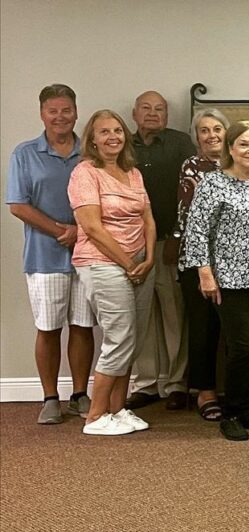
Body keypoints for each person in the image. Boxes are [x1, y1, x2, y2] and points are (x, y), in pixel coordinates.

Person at [182, 121, 249, 442]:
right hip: (229, 279)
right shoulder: (213, 183)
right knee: (241, 346)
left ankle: (248, 408)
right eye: (244, 144)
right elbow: (197, 231)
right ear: (231, 149)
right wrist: (205, 272)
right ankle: (233, 412)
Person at [6, 84, 93, 425]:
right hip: (44, 257)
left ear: (76, 112)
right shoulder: (24, 154)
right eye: (53, 110)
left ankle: (80, 394)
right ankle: (50, 398)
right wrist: (62, 231)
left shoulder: (92, 152)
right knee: (48, 328)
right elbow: (17, 205)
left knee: (83, 325)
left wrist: (81, 233)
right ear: (42, 114)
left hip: (88, 254)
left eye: (66, 110)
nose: (60, 116)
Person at [68, 109, 156, 436]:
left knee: (132, 339)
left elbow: (148, 217)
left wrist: (147, 257)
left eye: (117, 130)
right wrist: (128, 262)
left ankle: (118, 409)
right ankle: (95, 416)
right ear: (92, 138)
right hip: (102, 263)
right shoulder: (84, 173)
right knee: (119, 338)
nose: (113, 137)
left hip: (139, 263)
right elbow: (91, 226)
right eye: (104, 132)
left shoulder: (132, 173)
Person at [126, 91, 195, 411]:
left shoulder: (181, 143)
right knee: (142, 315)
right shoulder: (122, 144)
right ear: (134, 113)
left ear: (167, 116)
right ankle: (146, 382)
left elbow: (191, 194)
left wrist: (178, 239)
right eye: (146, 108)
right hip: (131, 245)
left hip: (170, 242)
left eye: (160, 109)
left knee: (173, 314)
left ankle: (177, 382)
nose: (153, 114)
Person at [166, 108, 229, 422]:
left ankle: (237, 390)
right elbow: (190, 218)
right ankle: (205, 392)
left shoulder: (241, 164)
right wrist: (205, 264)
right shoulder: (192, 166)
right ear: (196, 137)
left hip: (236, 264)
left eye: (217, 128)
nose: (212, 135)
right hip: (198, 260)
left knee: (234, 329)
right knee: (203, 328)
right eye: (204, 130)